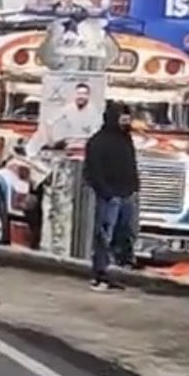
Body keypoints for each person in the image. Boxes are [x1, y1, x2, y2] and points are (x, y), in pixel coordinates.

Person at [83, 103, 140, 291]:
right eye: (122, 118)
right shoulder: (97, 142)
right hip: (110, 197)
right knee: (103, 237)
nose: (126, 122)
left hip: (127, 195)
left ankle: (114, 273)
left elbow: (131, 164)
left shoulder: (126, 139)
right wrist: (106, 192)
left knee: (124, 235)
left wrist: (134, 187)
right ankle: (100, 275)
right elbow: (93, 171)